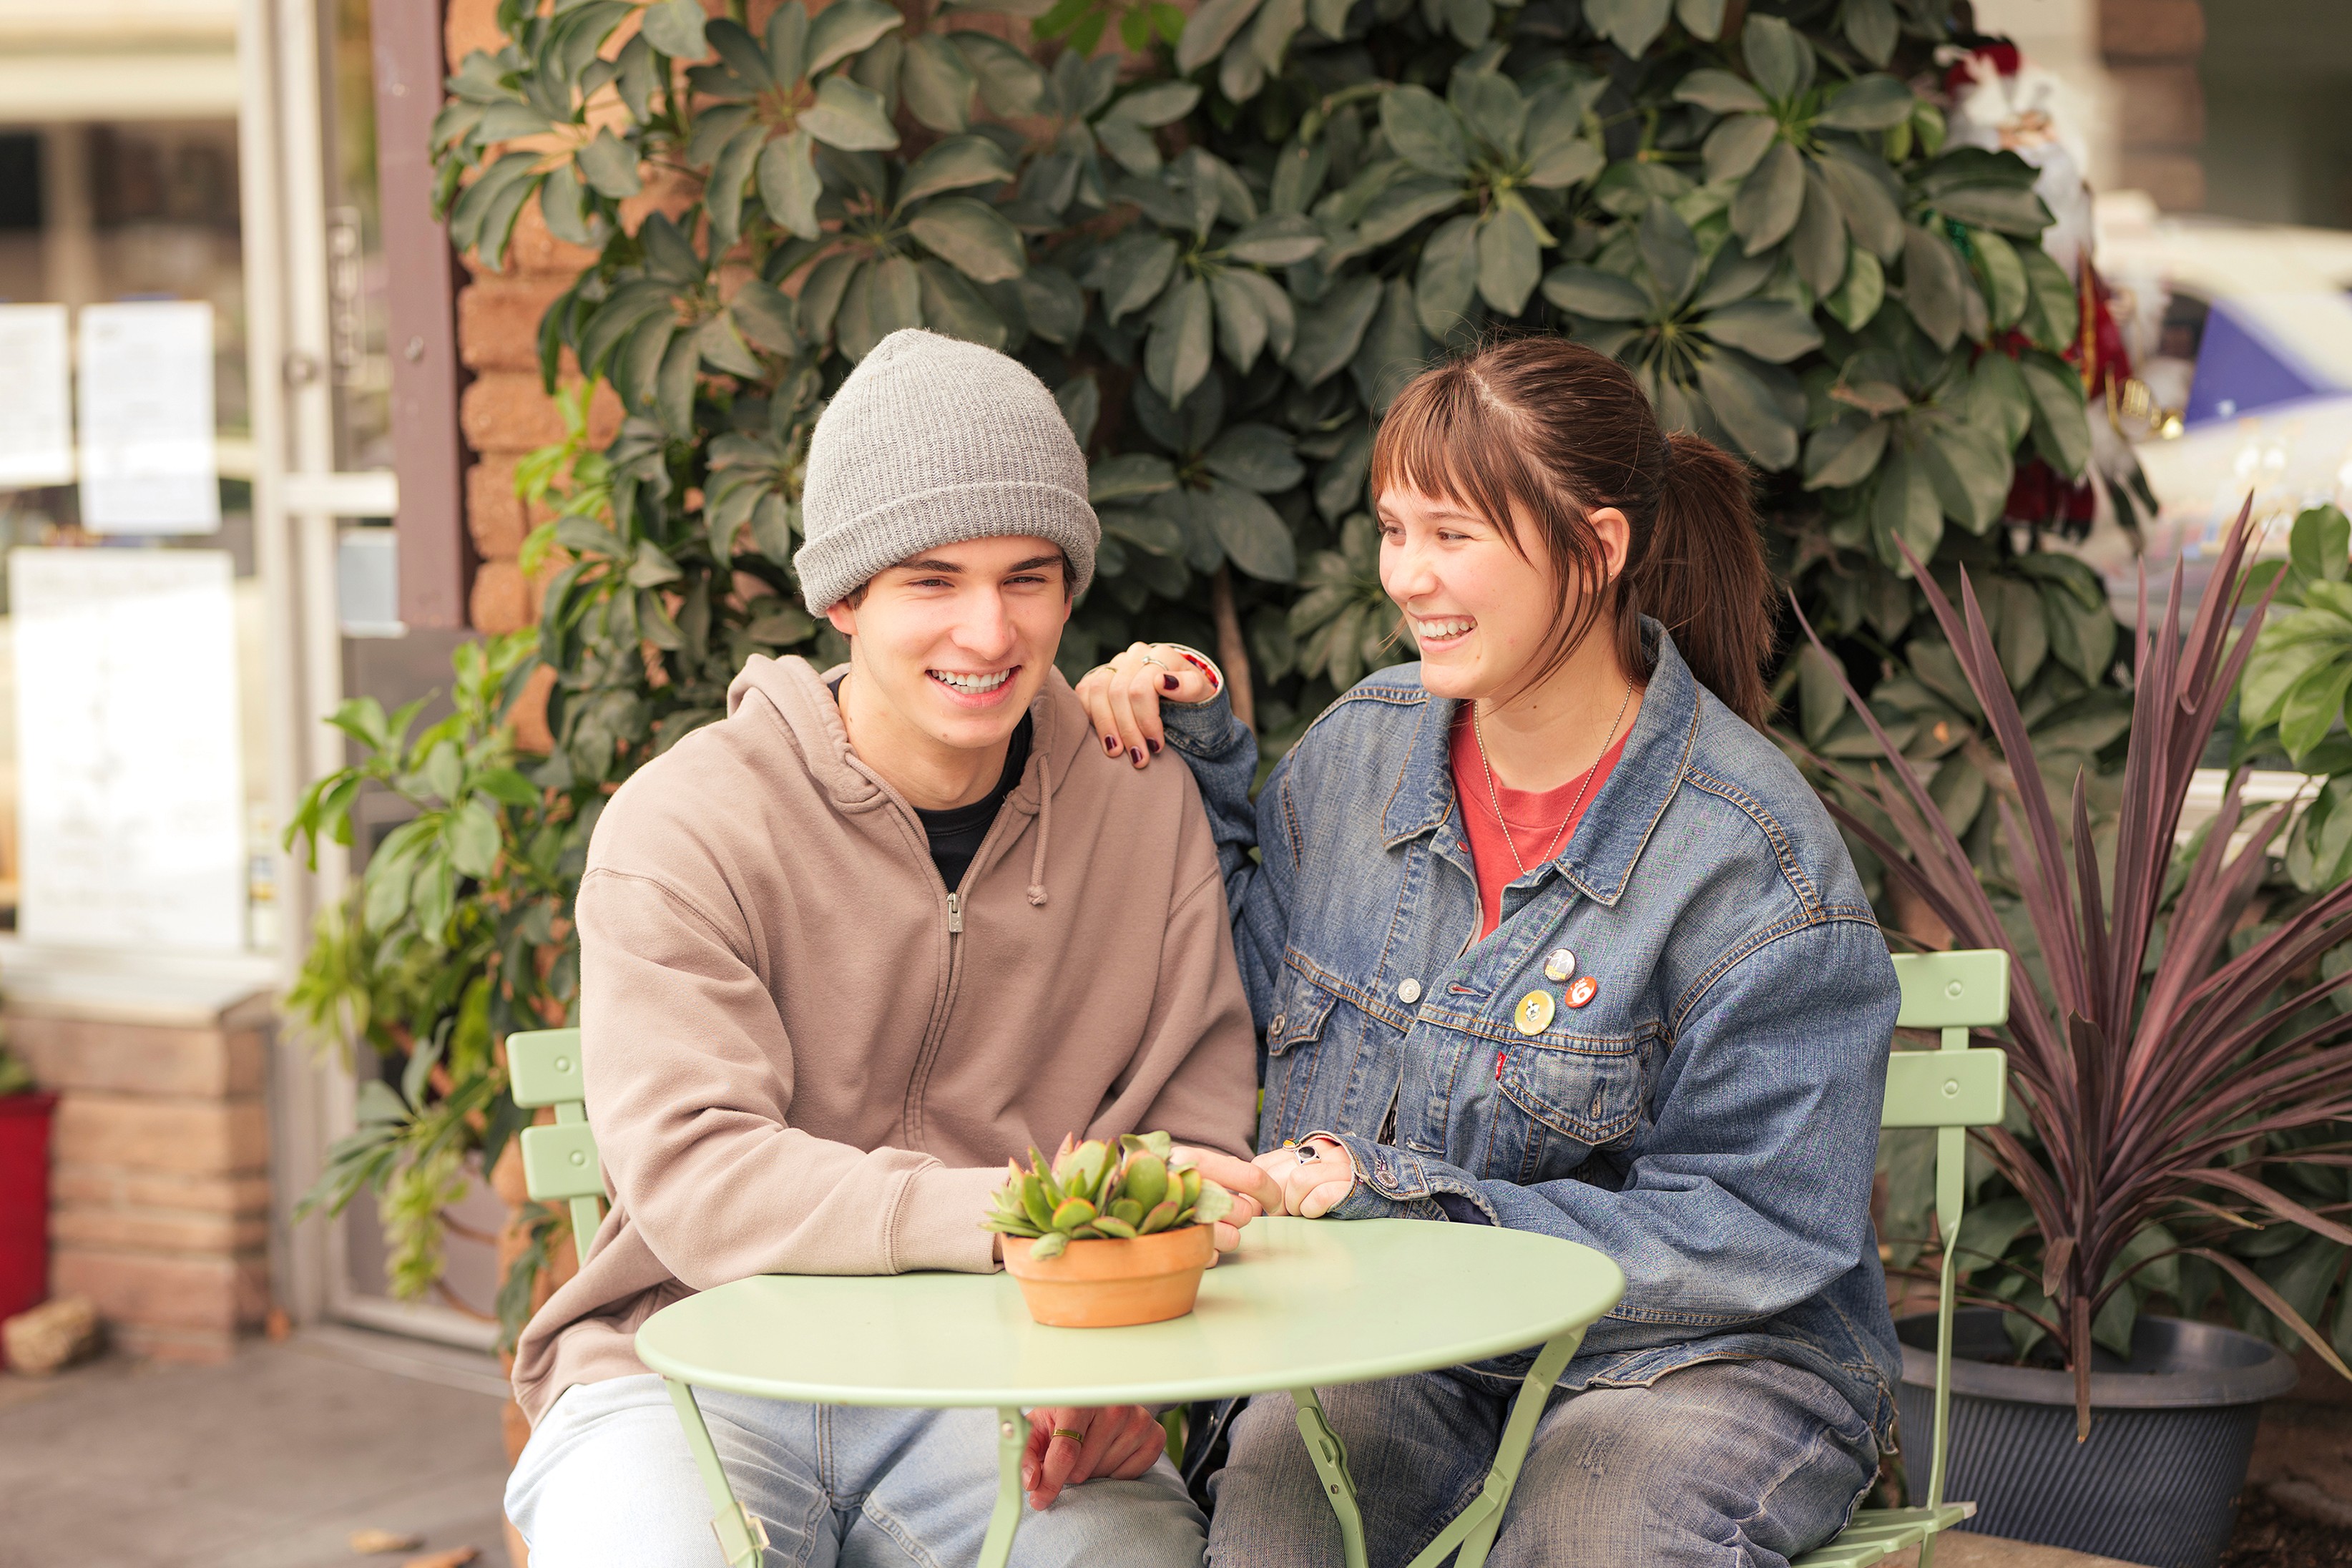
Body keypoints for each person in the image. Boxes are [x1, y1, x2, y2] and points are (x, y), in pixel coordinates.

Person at [1077, 337, 1903, 1568]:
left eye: (1453, 535)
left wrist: (1409, 1202)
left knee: (1589, 1536)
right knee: (1283, 1500)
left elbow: (1758, 1231)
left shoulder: (1753, 863)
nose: (1409, 577)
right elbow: (1233, 987)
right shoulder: (1361, 757)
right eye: (1393, 530)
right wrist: (1176, 757)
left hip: (1700, 1359)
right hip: (1409, 1338)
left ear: (1600, 546)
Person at [506, 330, 1262, 1567]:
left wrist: (1124, 1361)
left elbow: (1193, 1147)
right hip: (686, 1367)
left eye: (1029, 577)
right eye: (931, 581)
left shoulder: (1140, 803)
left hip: (1009, 1386)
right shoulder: (689, 820)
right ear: (842, 596)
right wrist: (1020, 1219)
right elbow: (702, 1175)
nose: (988, 629)